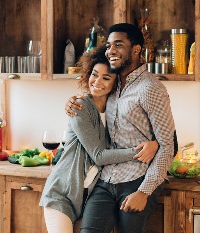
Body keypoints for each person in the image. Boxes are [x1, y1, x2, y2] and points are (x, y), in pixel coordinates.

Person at [65, 23, 176, 233]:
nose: (111, 50)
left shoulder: (151, 89)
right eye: (108, 45)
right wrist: (71, 102)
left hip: (137, 180)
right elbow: (92, 96)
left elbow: (167, 146)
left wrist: (144, 192)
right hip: (106, 179)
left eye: (118, 44)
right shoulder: (113, 84)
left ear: (136, 49)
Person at [39, 46, 159, 233]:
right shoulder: (80, 107)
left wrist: (155, 143)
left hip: (86, 198)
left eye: (106, 78)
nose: (97, 81)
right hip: (62, 195)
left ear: (116, 82)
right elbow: (100, 156)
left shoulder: (116, 110)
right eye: (94, 74)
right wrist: (142, 150)